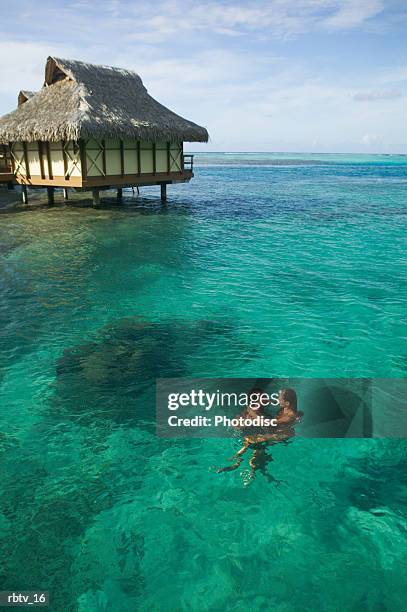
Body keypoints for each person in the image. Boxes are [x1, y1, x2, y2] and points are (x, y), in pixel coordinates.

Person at [216, 388, 303, 483]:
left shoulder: (288, 415)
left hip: (279, 437)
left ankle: (246, 468)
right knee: (251, 442)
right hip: (272, 433)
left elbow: (268, 423)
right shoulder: (284, 410)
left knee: (254, 446)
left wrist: (252, 413)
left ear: (287, 403)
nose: (277, 399)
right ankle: (241, 464)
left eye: (279, 398)